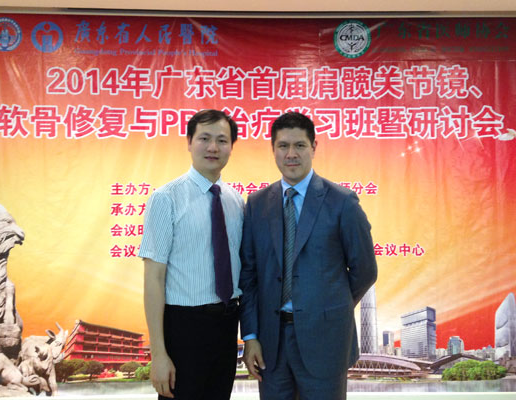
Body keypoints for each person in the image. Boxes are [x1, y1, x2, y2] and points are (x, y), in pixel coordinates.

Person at [239, 112, 377, 400]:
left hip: (326, 339)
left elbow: (365, 270)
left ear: (314, 147)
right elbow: (249, 276)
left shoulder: (342, 202)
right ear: (273, 149)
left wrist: (327, 306)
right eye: (283, 145)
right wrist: (250, 336)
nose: (291, 154)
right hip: (271, 343)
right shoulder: (257, 204)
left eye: (300, 145)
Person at [138, 109, 244, 400]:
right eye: (204, 138)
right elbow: (154, 278)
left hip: (227, 325)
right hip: (183, 328)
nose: (213, 147)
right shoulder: (166, 198)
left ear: (231, 147)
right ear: (189, 142)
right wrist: (158, 354)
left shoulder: (236, 201)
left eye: (222, 140)